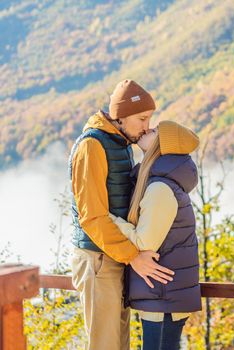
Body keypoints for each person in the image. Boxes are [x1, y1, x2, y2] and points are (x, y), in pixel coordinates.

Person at [69, 79, 175, 350]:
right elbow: (91, 216)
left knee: (120, 344)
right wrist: (133, 257)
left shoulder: (121, 143)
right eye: (142, 118)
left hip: (115, 256)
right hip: (98, 260)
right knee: (105, 345)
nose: (147, 127)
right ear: (120, 115)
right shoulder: (92, 146)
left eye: (149, 119)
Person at [110, 121, 202, 350]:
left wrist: (108, 220)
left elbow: (145, 242)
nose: (148, 129)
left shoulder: (160, 188)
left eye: (155, 131)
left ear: (163, 145)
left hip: (162, 296)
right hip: (164, 294)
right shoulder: (161, 183)